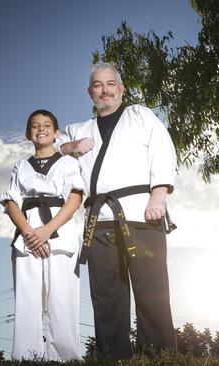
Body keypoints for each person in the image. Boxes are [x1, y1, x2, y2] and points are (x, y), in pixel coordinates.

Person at [59, 63, 177, 358]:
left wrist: (159, 194)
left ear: (121, 89)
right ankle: (114, 358)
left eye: (111, 83)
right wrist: (69, 146)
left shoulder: (140, 115)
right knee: (107, 294)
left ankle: (159, 356)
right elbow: (48, 145)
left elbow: (162, 148)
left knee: (151, 289)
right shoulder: (78, 129)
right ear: (90, 93)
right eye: (98, 85)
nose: (105, 89)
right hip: (99, 220)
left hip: (142, 212)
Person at [0, 109, 84, 361]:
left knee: (62, 299)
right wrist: (29, 234)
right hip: (27, 236)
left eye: (47, 125)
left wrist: (46, 231)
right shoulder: (20, 166)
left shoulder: (69, 163)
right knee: (27, 301)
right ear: (28, 133)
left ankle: (66, 358)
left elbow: (75, 198)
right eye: (35, 126)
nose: (41, 129)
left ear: (56, 132)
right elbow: (11, 202)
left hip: (59, 234)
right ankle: (27, 357)